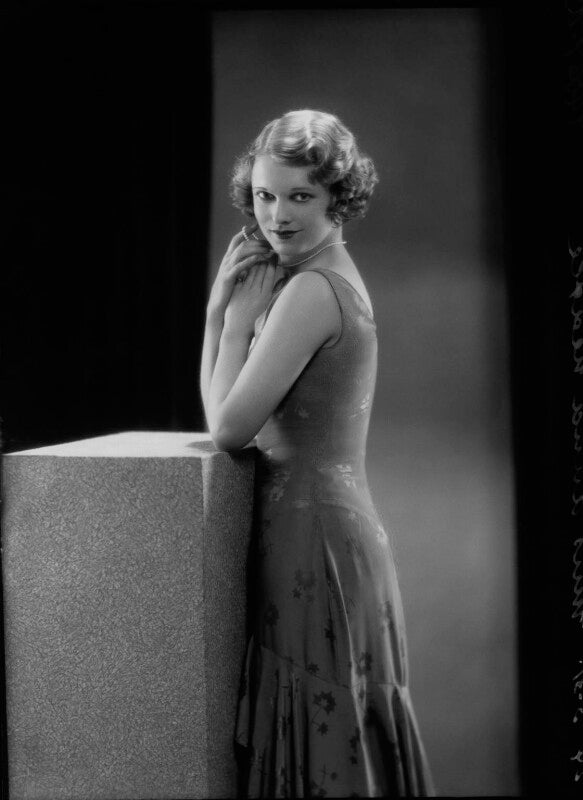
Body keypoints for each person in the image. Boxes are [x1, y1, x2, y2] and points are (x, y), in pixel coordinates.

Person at [200, 109, 436, 797]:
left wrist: (229, 323)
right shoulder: (319, 275)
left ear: (338, 196)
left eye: (299, 196)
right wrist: (224, 319)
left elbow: (227, 428)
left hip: (315, 548)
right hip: (321, 538)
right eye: (264, 196)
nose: (277, 216)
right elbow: (228, 418)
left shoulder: (310, 290)